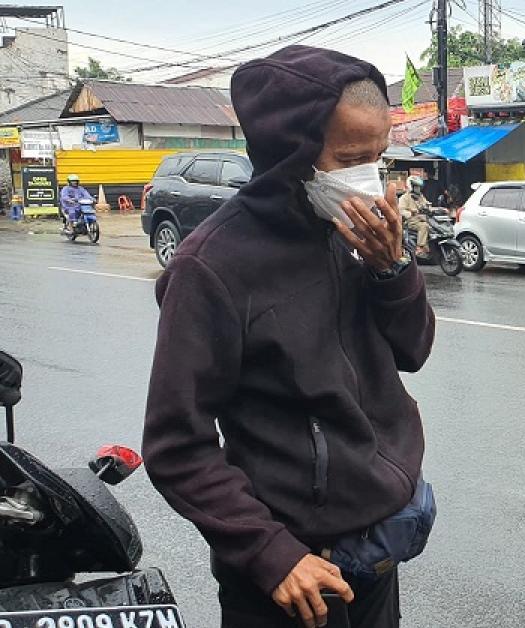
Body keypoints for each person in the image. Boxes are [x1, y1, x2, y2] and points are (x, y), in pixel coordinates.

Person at [142, 46, 434, 628]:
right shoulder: (213, 268)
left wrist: (391, 270)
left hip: (377, 551)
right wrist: (270, 555)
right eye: (352, 157)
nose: (370, 176)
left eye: (378, 156)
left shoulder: (356, 231)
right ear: (289, 154)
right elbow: (177, 445)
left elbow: (413, 352)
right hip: (293, 575)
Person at [398, 174, 431, 256]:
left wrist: (435, 209)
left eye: (419, 187)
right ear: (411, 186)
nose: (418, 189)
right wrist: (411, 213)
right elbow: (401, 210)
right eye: (416, 187)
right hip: (411, 221)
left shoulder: (420, 197)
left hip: (422, 218)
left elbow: (426, 204)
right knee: (424, 226)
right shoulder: (404, 198)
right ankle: (420, 247)